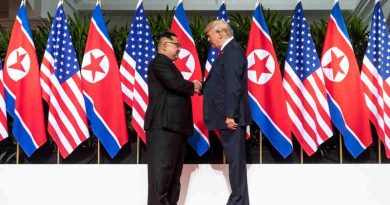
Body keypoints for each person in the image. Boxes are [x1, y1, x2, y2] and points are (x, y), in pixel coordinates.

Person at [144, 31, 201, 205]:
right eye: (176, 45)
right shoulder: (159, 62)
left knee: (173, 176)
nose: (179, 49)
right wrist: (194, 85)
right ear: (164, 46)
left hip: (175, 127)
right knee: (162, 175)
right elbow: (174, 83)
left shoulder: (168, 64)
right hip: (163, 127)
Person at [202, 20, 251, 205]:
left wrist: (231, 114)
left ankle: (237, 201)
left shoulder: (232, 52)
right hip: (227, 116)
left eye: (210, 35)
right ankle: (240, 201)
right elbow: (222, 84)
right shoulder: (228, 52)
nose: (209, 39)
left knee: (236, 163)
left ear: (220, 34)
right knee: (235, 162)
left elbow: (233, 86)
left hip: (230, 118)